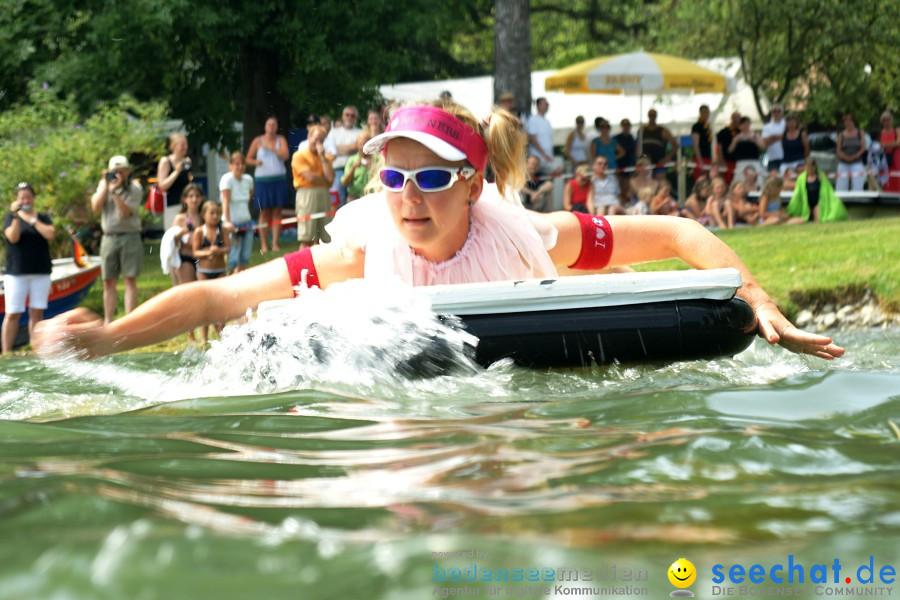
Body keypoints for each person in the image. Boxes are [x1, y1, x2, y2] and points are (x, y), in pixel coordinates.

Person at [34, 100, 843, 363]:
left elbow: (674, 230)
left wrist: (755, 294)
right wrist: (106, 337)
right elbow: (217, 293)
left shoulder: (531, 234)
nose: (407, 198)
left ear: (473, 182)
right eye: (392, 177)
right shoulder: (359, 248)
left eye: (427, 179)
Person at [2, 183, 55, 354]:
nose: (25, 200)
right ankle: (6, 352)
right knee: (12, 314)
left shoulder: (43, 218)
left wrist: (31, 219)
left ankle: (37, 351)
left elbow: (50, 234)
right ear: (17, 200)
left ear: (33, 199)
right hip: (17, 273)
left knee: (36, 313)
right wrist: (17, 216)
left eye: (28, 197)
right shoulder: (11, 218)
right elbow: (13, 237)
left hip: (40, 272)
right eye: (22, 197)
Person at [90, 155, 143, 324]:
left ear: (128, 172)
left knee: (129, 279)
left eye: (121, 171)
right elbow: (95, 208)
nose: (118, 175)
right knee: (108, 281)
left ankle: (129, 321)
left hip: (130, 236)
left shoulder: (135, 188)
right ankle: (108, 322)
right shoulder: (104, 185)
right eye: (114, 171)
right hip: (109, 238)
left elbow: (125, 213)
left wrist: (116, 191)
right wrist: (107, 186)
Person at [247, 116, 290, 253]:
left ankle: (275, 243)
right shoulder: (257, 141)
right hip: (262, 181)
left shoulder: (281, 139)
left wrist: (271, 148)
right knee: (264, 211)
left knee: (278, 210)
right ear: (265, 126)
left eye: (274, 124)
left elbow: (285, 155)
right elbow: (247, 159)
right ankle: (264, 244)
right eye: (269, 124)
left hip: (278, 179)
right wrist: (255, 163)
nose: (271, 126)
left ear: (277, 127)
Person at [192, 200, 230, 344]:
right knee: (205, 305)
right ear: (204, 215)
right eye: (212, 213)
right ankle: (204, 338)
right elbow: (195, 252)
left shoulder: (223, 230)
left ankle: (222, 336)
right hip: (204, 271)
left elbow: (228, 248)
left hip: (219, 270)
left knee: (220, 304)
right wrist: (207, 253)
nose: (215, 216)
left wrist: (219, 250)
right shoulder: (200, 232)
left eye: (217, 213)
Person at [291, 124, 334, 247]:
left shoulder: (326, 158)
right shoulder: (299, 155)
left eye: (321, 140)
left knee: (324, 238)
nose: (318, 143)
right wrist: (324, 179)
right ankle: (302, 265)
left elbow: (330, 177)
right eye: (316, 139)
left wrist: (322, 158)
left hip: (324, 195)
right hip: (306, 195)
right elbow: (309, 177)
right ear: (309, 137)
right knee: (307, 237)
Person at [219, 152, 255, 273]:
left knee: (245, 257)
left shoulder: (248, 179)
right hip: (233, 223)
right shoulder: (226, 179)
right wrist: (228, 222)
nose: (240, 166)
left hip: (247, 222)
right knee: (233, 257)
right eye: (236, 164)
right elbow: (225, 201)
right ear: (231, 165)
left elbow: (249, 197)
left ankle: (240, 282)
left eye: (242, 163)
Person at [786, 157, 848, 224]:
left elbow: (828, 191)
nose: (807, 170)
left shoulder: (821, 176)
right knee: (802, 220)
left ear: (814, 167)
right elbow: (797, 194)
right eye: (806, 168)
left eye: (809, 168)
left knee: (819, 221)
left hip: (818, 204)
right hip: (806, 205)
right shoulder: (801, 178)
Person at [325, 106, 363, 205]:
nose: (349, 117)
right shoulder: (334, 132)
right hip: (338, 170)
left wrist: (337, 148)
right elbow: (329, 150)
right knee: (339, 201)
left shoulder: (360, 132)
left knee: (354, 201)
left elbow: (357, 147)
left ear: (355, 118)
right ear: (343, 116)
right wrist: (350, 148)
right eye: (347, 115)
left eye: (352, 115)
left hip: (356, 170)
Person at [156, 133, 192, 230]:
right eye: (182, 144)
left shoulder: (187, 161)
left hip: (187, 206)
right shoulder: (166, 161)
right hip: (172, 206)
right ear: (173, 146)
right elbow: (162, 185)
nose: (185, 147)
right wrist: (177, 170)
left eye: (186, 144)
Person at [638, 109, 678, 180]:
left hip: (659, 162)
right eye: (650, 115)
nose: (652, 117)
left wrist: (667, 158)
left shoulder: (663, 130)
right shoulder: (642, 130)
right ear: (648, 116)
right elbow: (638, 147)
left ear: (656, 117)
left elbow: (676, 145)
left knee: (660, 184)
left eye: (653, 115)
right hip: (645, 162)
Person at [835, 112, 867, 192]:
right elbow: (838, 151)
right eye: (846, 121)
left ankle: (858, 201)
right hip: (843, 163)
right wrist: (846, 158)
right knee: (841, 186)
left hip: (857, 162)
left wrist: (855, 156)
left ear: (854, 122)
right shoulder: (841, 135)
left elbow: (863, 147)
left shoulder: (860, 133)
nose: (848, 123)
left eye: (850, 121)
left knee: (858, 185)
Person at [526, 97, 558, 175]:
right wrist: (544, 154)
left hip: (547, 158)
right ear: (539, 105)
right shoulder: (533, 119)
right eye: (545, 104)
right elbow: (532, 138)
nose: (547, 106)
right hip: (537, 159)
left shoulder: (547, 122)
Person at [341, 130, 374, 202]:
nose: (363, 146)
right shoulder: (352, 160)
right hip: (354, 198)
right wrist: (353, 168)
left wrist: (372, 168)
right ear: (356, 145)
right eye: (360, 144)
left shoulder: (377, 159)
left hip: (371, 198)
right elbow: (344, 183)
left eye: (365, 143)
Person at [729, 117, 765, 182]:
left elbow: (763, 146)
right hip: (741, 162)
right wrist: (735, 141)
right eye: (743, 124)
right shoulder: (737, 137)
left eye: (747, 123)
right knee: (740, 180)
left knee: (756, 180)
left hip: (754, 162)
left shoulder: (755, 135)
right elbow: (730, 150)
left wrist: (754, 141)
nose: (745, 125)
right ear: (740, 125)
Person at [716, 111, 741, 184]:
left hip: (739, 162)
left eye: (738, 118)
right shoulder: (723, 132)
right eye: (735, 118)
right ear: (732, 118)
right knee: (727, 182)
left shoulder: (741, 132)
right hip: (727, 161)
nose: (736, 120)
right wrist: (721, 160)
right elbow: (719, 147)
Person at [691, 105, 714, 182]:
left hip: (708, 157)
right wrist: (700, 161)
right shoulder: (696, 126)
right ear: (700, 113)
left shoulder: (708, 127)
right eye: (704, 112)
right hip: (700, 158)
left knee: (708, 180)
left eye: (707, 112)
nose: (706, 114)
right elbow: (695, 145)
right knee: (700, 181)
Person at [761, 104, 786, 174]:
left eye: (778, 111)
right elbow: (764, 142)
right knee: (773, 182)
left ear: (782, 112)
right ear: (772, 113)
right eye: (774, 111)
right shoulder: (767, 127)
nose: (776, 113)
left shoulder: (787, 125)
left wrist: (772, 137)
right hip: (772, 159)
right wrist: (781, 136)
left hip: (786, 158)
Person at [879, 111, 900, 193]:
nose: (887, 121)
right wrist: (891, 144)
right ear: (882, 121)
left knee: (897, 177)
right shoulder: (881, 133)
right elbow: (878, 145)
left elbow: (898, 142)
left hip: (896, 157)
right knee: (885, 177)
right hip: (884, 159)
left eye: (888, 119)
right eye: (884, 120)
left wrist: (885, 145)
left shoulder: (897, 130)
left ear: (891, 119)